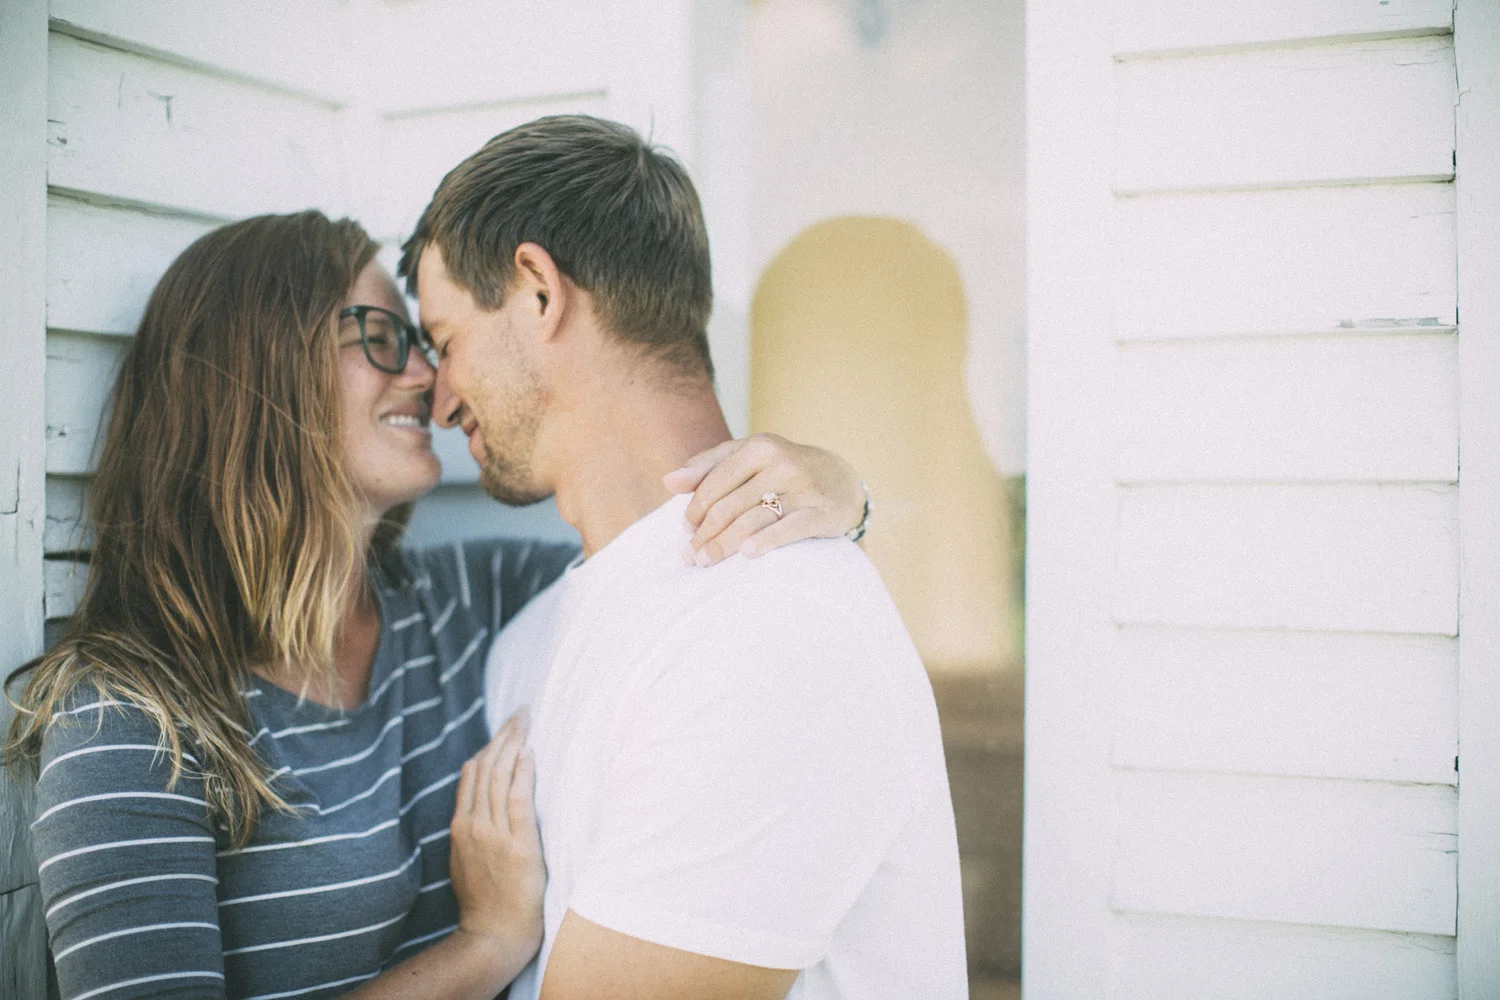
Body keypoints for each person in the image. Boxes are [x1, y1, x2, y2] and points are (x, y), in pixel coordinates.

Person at [3, 210, 870, 1000]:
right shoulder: (125, 717)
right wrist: (484, 945)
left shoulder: (469, 603)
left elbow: (682, 566)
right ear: (254, 366)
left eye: (423, 340)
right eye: (380, 335)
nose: (428, 378)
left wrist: (836, 490)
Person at [401, 114, 967, 1000]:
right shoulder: (534, 635)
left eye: (445, 342)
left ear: (538, 292)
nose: (438, 402)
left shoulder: (776, 630)